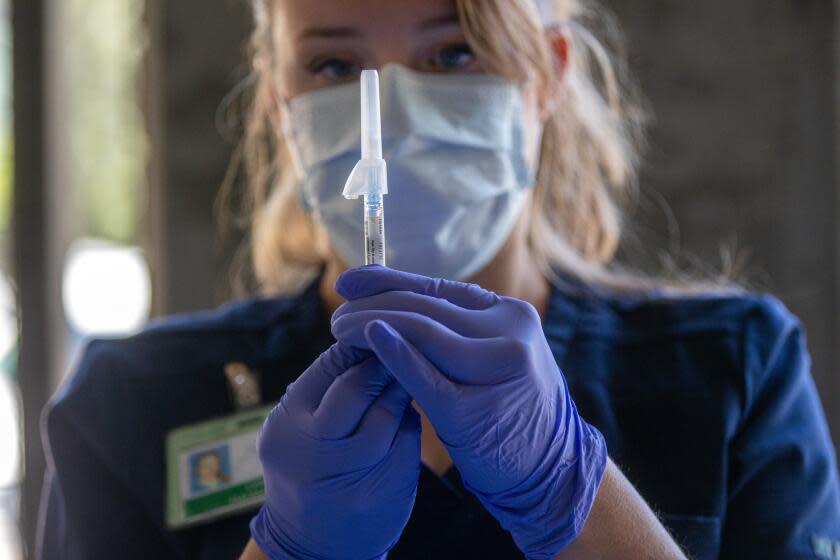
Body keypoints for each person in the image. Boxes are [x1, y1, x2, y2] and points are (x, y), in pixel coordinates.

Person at [38, 0, 840, 559]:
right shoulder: (134, 404)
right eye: (332, 63)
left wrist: (574, 493)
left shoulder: (733, 371)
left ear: (547, 75)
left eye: (454, 51)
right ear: (278, 96)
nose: (393, 109)